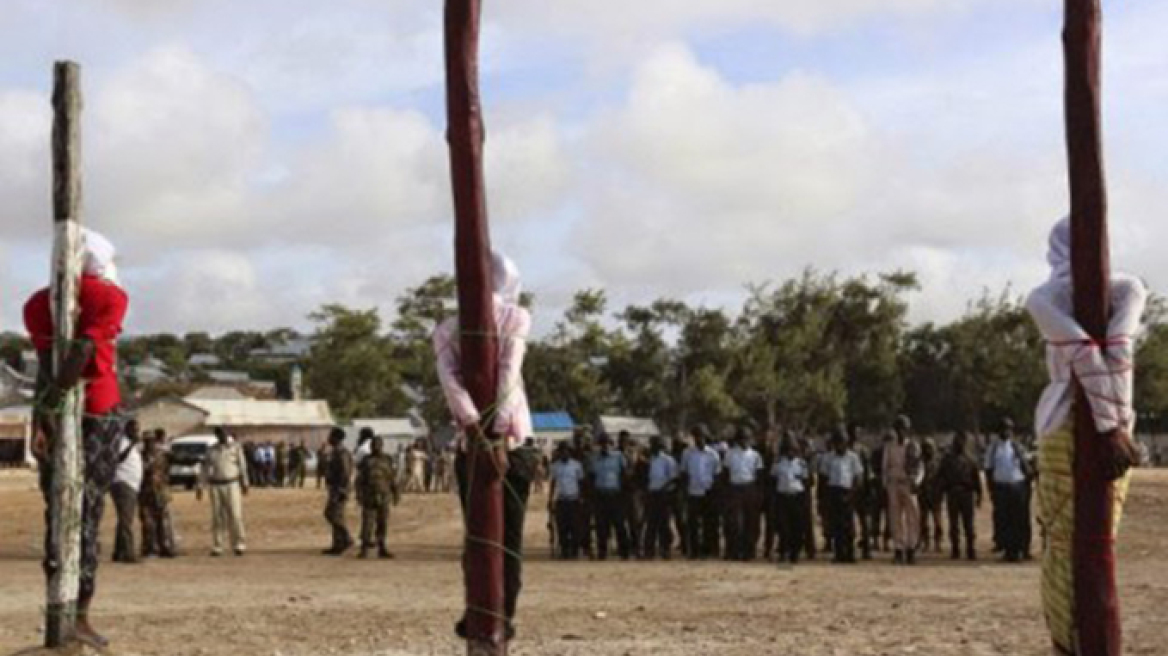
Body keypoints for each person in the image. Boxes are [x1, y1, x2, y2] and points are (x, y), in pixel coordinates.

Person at [1027, 217, 1146, 654]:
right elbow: (1083, 354)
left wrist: (1110, 428)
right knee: (1060, 544)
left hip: (1112, 431)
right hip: (1065, 426)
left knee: (1097, 543)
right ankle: (1066, 644)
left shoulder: (1128, 288)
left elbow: (1118, 351)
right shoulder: (1044, 298)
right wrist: (1111, 425)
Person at [25, 227, 129, 648]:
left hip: (55, 412)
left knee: (58, 511)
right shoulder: (109, 296)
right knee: (86, 512)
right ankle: (78, 614)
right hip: (98, 414)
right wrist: (62, 401)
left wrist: (44, 416)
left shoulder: (36, 303)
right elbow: (84, 350)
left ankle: (58, 609)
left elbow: (44, 366)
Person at [434, 250, 536, 643]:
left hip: (471, 445)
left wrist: (475, 430)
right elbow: (509, 374)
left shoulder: (446, 328)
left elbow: (451, 383)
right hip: (512, 441)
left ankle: (477, 610)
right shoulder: (516, 317)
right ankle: (502, 616)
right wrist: (496, 435)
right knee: (507, 539)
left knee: (476, 534)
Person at [197, 427, 249, 557]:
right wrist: (200, 486)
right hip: (215, 485)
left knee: (235, 515)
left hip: (232, 484)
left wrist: (245, 483)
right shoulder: (211, 450)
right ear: (216, 435)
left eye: (224, 433)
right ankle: (218, 545)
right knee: (217, 517)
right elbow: (205, 469)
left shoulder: (235, 448)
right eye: (219, 434)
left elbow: (242, 466)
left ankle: (239, 544)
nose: (222, 436)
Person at [936, 431, 982, 561]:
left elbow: (976, 479)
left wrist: (979, 495)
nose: (960, 443)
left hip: (967, 493)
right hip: (952, 493)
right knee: (954, 524)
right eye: (957, 441)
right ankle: (955, 549)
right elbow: (941, 477)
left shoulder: (970, 460)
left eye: (962, 441)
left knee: (969, 524)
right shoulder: (947, 459)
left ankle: (970, 549)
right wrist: (939, 494)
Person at [883, 415, 922, 565]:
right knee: (895, 518)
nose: (901, 432)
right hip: (893, 484)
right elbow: (885, 467)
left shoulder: (913, 446)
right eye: (899, 429)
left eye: (904, 429)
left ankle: (911, 548)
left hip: (908, 484)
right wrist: (886, 484)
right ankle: (898, 548)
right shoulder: (889, 447)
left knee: (913, 517)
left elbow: (919, 467)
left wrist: (916, 481)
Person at [821, 430, 865, 564]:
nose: (840, 446)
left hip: (848, 492)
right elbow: (824, 477)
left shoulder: (853, 457)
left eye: (842, 443)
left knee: (849, 526)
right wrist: (825, 496)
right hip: (833, 492)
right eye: (837, 443)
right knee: (836, 525)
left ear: (846, 443)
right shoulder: (828, 457)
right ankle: (839, 553)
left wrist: (853, 494)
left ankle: (850, 554)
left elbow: (858, 477)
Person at [680, 425, 721, 560]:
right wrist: (684, 492)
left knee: (709, 523)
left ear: (705, 437)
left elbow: (717, 475)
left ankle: (709, 550)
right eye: (696, 436)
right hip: (693, 492)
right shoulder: (687, 453)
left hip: (708, 493)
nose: (699, 439)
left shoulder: (713, 454)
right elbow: (684, 473)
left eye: (701, 436)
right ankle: (694, 551)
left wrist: (714, 492)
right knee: (693, 524)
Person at [723, 426, 764, 561]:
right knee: (736, 523)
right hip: (735, 489)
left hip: (750, 489)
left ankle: (749, 551)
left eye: (747, 439)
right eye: (742, 439)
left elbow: (759, 476)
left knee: (751, 522)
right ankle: (735, 551)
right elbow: (725, 474)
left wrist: (758, 494)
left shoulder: (755, 455)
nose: (745, 441)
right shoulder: (730, 454)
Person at [355, 436, 400, 559]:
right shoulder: (366, 460)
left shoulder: (387, 460)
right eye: (373, 444)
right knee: (367, 523)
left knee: (382, 522)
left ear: (382, 445)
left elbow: (392, 478)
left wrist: (396, 493)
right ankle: (364, 548)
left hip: (384, 496)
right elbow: (360, 480)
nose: (375, 447)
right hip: (369, 496)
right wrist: (359, 495)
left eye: (378, 444)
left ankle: (382, 547)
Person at [590, 433, 631, 560]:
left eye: (607, 444)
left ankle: (624, 552)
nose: (605, 446)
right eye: (602, 444)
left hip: (615, 495)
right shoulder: (594, 459)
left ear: (611, 445)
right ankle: (602, 552)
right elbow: (591, 477)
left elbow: (625, 475)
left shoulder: (618, 457)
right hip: (601, 495)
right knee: (601, 525)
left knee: (619, 524)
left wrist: (624, 495)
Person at [138, 429, 176, 559]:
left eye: (152, 441)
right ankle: (150, 548)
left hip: (160, 491)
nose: (150, 444)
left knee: (164, 522)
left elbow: (170, 466)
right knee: (148, 522)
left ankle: (166, 546)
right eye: (147, 441)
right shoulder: (140, 456)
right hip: (145, 492)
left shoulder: (163, 455)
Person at [771, 437, 809, 565]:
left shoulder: (801, 464)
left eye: (793, 450)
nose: (790, 452)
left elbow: (807, 482)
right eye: (788, 450)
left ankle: (795, 553)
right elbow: (773, 480)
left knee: (797, 527)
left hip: (797, 498)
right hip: (782, 498)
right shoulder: (778, 464)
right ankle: (784, 553)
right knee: (783, 527)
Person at [110, 420, 143, 564]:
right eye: (134, 430)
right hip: (123, 483)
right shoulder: (122, 442)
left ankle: (119, 551)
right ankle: (128, 553)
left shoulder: (132, 444)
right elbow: (118, 458)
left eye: (138, 430)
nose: (137, 432)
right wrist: (131, 444)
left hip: (131, 484)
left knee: (124, 519)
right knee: (126, 521)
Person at [548, 442, 585, 560]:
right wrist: (550, 499)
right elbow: (552, 484)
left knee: (575, 527)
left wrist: (582, 497)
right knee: (562, 527)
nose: (565, 453)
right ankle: (564, 550)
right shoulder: (555, 466)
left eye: (567, 451)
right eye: (562, 451)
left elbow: (580, 482)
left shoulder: (576, 465)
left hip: (574, 499)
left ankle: (574, 550)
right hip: (561, 500)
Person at [643, 436, 678, 560]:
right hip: (652, 494)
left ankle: (665, 550)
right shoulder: (649, 460)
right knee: (651, 523)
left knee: (664, 523)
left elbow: (673, 478)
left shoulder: (668, 460)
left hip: (664, 495)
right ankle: (649, 551)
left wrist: (664, 489)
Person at [322, 427, 354, 555]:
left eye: (331, 436)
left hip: (339, 489)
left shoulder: (342, 453)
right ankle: (337, 544)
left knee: (331, 514)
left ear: (336, 438)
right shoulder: (335, 452)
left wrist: (342, 490)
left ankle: (346, 538)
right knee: (336, 515)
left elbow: (345, 473)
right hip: (335, 488)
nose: (328, 438)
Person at [847, 424, 875, 560]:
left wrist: (869, 489)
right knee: (851, 521)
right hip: (849, 489)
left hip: (861, 490)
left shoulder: (863, 451)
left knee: (864, 521)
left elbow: (868, 471)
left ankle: (866, 548)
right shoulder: (847, 450)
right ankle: (852, 548)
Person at [917, 438, 945, 553]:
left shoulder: (938, 462)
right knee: (923, 521)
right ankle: (925, 542)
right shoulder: (919, 462)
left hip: (935, 495)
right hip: (923, 494)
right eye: (925, 448)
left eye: (930, 447)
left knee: (937, 521)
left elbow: (942, 478)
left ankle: (938, 542)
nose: (928, 450)